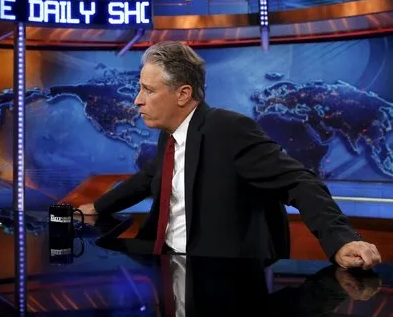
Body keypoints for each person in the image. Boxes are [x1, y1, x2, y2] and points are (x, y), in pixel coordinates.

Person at [78, 41, 381, 269]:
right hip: (164, 266)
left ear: (183, 94)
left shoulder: (229, 129)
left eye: (148, 90)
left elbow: (299, 182)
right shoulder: (169, 136)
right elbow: (149, 176)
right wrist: (97, 206)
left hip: (217, 276)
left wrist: (342, 240)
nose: (137, 100)